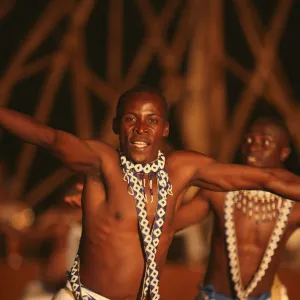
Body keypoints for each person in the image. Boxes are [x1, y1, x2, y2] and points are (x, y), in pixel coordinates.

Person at [1, 85, 300, 300]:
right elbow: (48, 138)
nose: (141, 128)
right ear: (116, 125)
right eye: (131, 119)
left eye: (152, 120)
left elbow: (266, 179)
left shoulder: (181, 170)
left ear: (165, 129)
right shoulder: (101, 163)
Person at [174, 117, 300, 300]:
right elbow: (168, 226)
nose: (253, 147)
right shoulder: (219, 193)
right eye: (249, 140)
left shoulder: (294, 206)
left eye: (265, 142)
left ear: (284, 152)